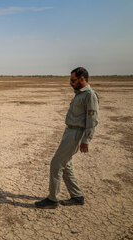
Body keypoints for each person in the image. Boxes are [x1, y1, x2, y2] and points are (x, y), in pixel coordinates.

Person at [35, 67, 99, 209]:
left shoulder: (90, 95)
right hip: (69, 132)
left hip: (76, 134)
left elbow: (92, 120)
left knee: (56, 164)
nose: (70, 83)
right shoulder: (79, 94)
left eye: (73, 80)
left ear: (82, 79)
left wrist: (86, 140)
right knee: (66, 165)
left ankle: (52, 200)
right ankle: (77, 196)